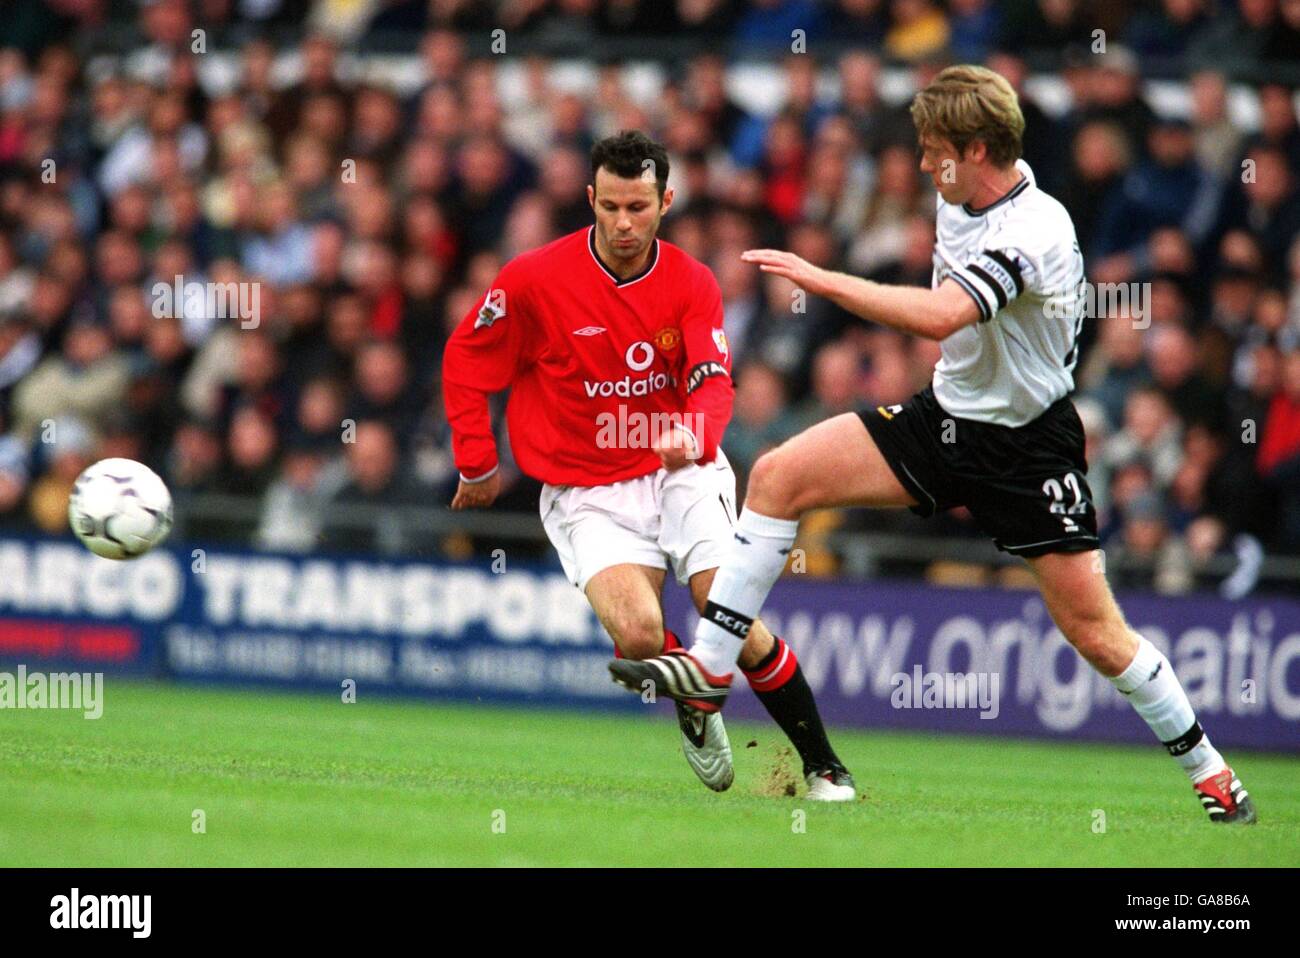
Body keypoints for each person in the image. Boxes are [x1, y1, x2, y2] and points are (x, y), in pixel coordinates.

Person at [609, 69, 1256, 824]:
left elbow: (943, 315)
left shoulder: (1034, 232)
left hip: (1025, 449)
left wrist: (823, 280)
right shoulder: (969, 191)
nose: (921, 165)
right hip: (943, 419)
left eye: (933, 152)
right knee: (779, 476)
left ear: (977, 150)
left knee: (1094, 631)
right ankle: (712, 672)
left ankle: (1213, 774)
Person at [442, 131, 854, 799]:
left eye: (638, 207)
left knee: (725, 613)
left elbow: (714, 380)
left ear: (665, 201)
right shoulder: (533, 280)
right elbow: (466, 358)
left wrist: (693, 434)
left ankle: (824, 765)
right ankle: (695, 702)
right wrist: (476, 458)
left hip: (680, 472)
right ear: (590, 201)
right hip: (584, 489)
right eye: (609, 207)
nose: (624, 223)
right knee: (636, 636)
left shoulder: (691, 282)